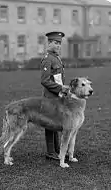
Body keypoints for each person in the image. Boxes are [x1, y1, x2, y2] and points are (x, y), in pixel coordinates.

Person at [40, 31, 69, 160]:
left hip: (58, 96)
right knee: (50, 124)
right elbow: (45, 81)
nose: (58, 46)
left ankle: (57, 149)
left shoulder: (56, 58)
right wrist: (60, 88)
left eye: (59, 43)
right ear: (49, 43)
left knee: (57, 123)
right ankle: (51, 152)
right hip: (50, 98)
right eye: (56, 43)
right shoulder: (47, 59)